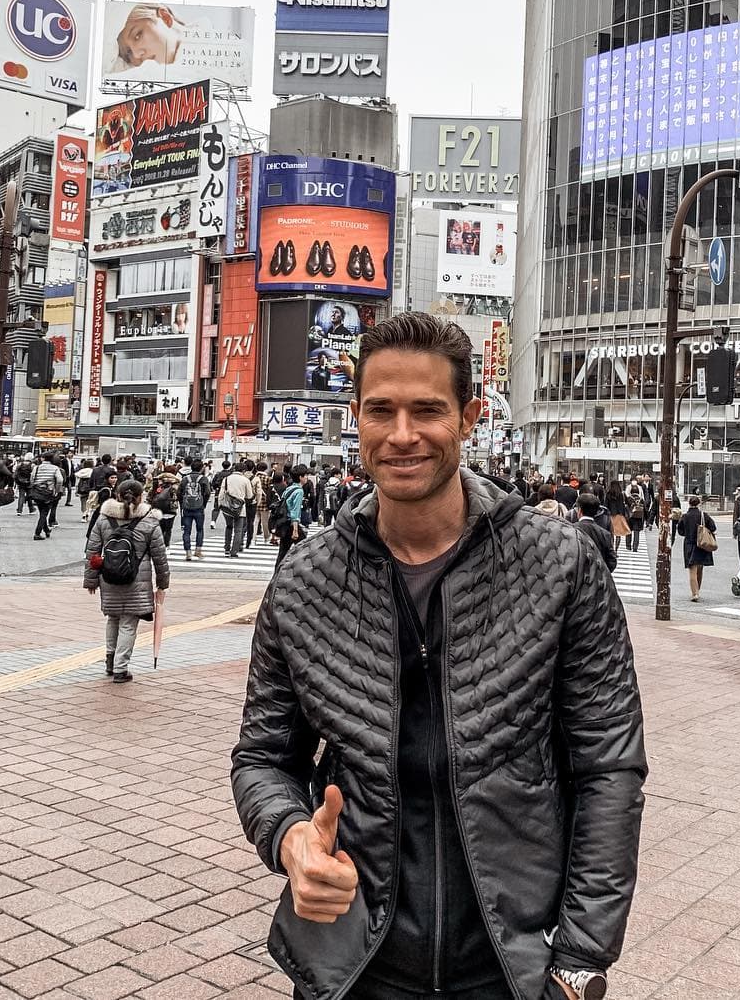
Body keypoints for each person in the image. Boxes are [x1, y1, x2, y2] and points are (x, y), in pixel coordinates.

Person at [231, 311, 646, 1000]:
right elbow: (263, 756)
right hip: (351, 962)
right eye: (380, 410)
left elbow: (609, 766)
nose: (402, 434)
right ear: (355, 416)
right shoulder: (305, 578)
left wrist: (579, 962)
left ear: (469, 415)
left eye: (427, 409)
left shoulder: (560, 566)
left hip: (511, 962)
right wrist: (291, 836)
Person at [84, 480, 169, 684]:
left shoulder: (104, 519)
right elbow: (160, 556)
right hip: (137, 580)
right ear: (141, 497)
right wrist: (163, 582)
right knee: (129, 624)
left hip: (109, 577)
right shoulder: (149, 521)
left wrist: (91, 580)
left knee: (113, 618)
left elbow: (92, 550)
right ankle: (121, 669)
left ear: (117, 495)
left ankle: (110, 662)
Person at [680, 494, 716, 601]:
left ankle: (695, 593)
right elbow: (713, 527)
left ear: (689, 504)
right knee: (700, 569)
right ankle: (698, 590)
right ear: (698, 504)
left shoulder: (685, 516)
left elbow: (680, 531)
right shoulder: (703, 515)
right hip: (702, 544)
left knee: (692, 570)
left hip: (689, 544)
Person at [272, 465, 308, 569]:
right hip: (291, 525)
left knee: (283, 552)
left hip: (284, 523)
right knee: (305, 548)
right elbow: (295, 512)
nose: (306, 478)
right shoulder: (299, 491)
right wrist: (295, 530)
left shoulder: (289, 488)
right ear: (300, 477)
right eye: (305, 475)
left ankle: (277, 574)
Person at [219, 461, 254, 558]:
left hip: (227, 507)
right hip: (239, 509)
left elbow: (221, 494)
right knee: (238, 530)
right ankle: (234, 551)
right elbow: (249, 495)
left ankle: (226, 548)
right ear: (243, 470)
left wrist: (220, 505)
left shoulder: (226, 479)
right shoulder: (245, 480)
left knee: (229, 527)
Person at [575, 492, 617, 572]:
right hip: (597, 579)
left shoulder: (571, 529)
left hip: (576, 579)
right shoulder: (605, 534)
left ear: (579, 510)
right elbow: (612, 561)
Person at [178, 459, 210, 561]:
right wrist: (203, 503)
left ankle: (188, 552)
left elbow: (179, 492)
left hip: (187, 507)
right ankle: (198, 550)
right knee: (199, 529)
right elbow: (207, 492)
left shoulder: (185, 478)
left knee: (186, 531)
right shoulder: (203, 479)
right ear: (201, 468)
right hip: (199, 507)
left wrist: (182, 503)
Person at [30, 453, 65, 541]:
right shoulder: (55, 468)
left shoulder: (36, 468)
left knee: (42, 511)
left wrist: (34, 485)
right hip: (48, 492)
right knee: (44, 513)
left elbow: (32, 478)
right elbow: (60, 480)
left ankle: (46, 530)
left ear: (43, 459)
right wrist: (56, 490)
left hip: (37, 492)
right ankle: (37, 533)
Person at [150, 468, 179, 548]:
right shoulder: (175, 487)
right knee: (168, 529)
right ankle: (167, 545)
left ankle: (160, 545)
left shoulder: (157, 486)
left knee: (160, 529)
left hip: (158, 510)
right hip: (171, 511)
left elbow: (150, 497)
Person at [606, 479, 630, 552]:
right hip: (619, 515)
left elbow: (606, 505)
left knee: (611, 534)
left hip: (610, 515)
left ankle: (611, 549)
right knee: (618, 534)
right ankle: (616, 550)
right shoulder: (620, 494)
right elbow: (622, 505)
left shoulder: (608, 494)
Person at [625, 481, 646, 552]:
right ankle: (635, 547)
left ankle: (628, 546)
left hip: (629, 516)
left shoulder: (628, 498)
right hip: (638, 517)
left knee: (628, 531)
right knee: (636, 532)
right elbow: (644, 508)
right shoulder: (641, 499)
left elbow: (625, 506)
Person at [210, 460, 231, 529]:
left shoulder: (218, 474)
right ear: (229, 466)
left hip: (218, 492)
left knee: (216, 508)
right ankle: (229, 523)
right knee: (228, 508)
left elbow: (213, 484)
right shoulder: (231, 474)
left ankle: (213, 521)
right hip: (228, 493)